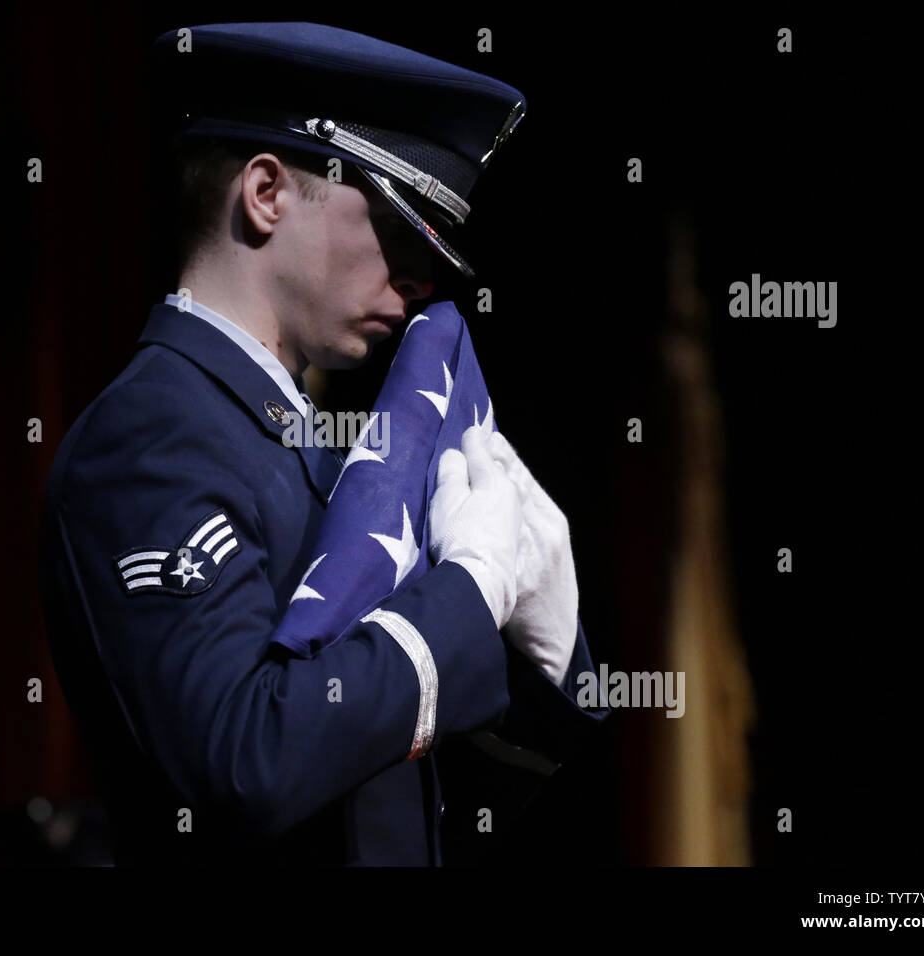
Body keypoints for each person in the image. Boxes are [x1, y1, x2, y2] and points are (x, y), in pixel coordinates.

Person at [39, 21, 607, 866]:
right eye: (398, 228)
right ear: (266, 193)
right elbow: (246, 764)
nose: (421, 280)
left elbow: (396, 798)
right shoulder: (150, 439)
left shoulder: (317, 454)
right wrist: (462, 596)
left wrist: (541, 667)